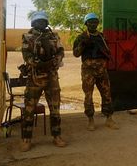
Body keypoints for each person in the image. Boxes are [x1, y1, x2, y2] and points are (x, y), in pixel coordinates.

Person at [20, 10, 67, 152]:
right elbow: (26, 55)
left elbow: (61, 51)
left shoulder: (54, 36)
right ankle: (26, 139)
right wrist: (38, 63)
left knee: (55, 109)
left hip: (52, 77)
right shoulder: (27, 37)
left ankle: (57, 136)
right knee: (29, 109)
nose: (41, 23)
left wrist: (54, 61)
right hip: (35, 78)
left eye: (43, 21)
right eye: (38, 21)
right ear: (34, 22)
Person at [73, 13, 119, 131]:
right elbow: (76, 54)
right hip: (88, 71)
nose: (93, 24)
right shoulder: (81, 37)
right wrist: (83, 44)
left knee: (107, 94)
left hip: (101, 70)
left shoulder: (101, 37)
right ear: (86, 23)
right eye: (90, 22)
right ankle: (90, 120)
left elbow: (107, 51)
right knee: (88, 96)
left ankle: (109, 119)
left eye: (95, 22)